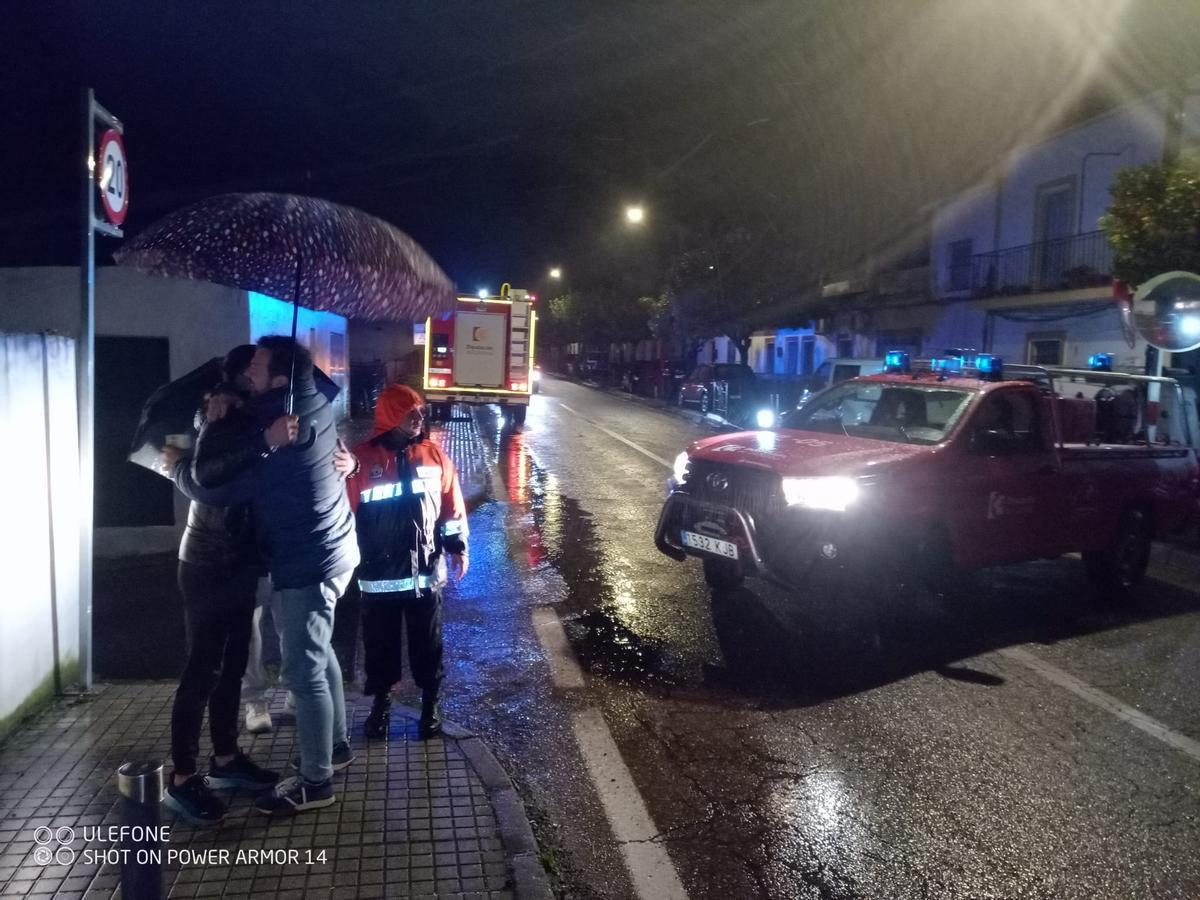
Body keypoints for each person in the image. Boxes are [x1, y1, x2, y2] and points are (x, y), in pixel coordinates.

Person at [193, 335, 360, 815]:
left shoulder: (281, 431)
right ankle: (336, 746)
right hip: (334, 552)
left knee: (302, 672)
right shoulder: (312, 400)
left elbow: (215, 485)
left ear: (280, 379)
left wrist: (181, 472)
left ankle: (316, 782)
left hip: (309, 561)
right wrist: (222, 399)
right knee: (319, 650)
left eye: (259, 367)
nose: (250, 372)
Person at [159, 345, 279, 826]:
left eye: (261, 367)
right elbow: (206, 475)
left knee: (232, 666)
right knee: (202, 669)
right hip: (209, 560)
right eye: (247, 368)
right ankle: (183, 778)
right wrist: (264, 442)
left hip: (241, 558)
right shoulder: (221, 412)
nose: (254, 373)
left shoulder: (254, 413)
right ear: (232, 377)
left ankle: (226, 759)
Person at [344, 384, 468, 740]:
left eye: (419, 412)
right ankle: (380, 706)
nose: (417, 419)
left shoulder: (435, 456)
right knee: (379, 647)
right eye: (408, 413)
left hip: (425, 574)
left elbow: (451, 507)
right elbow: (344, 513)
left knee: (428, 645)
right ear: (389, 415)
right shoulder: (360, 460)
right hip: (377, 575)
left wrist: (458, 546)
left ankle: (431, 705)